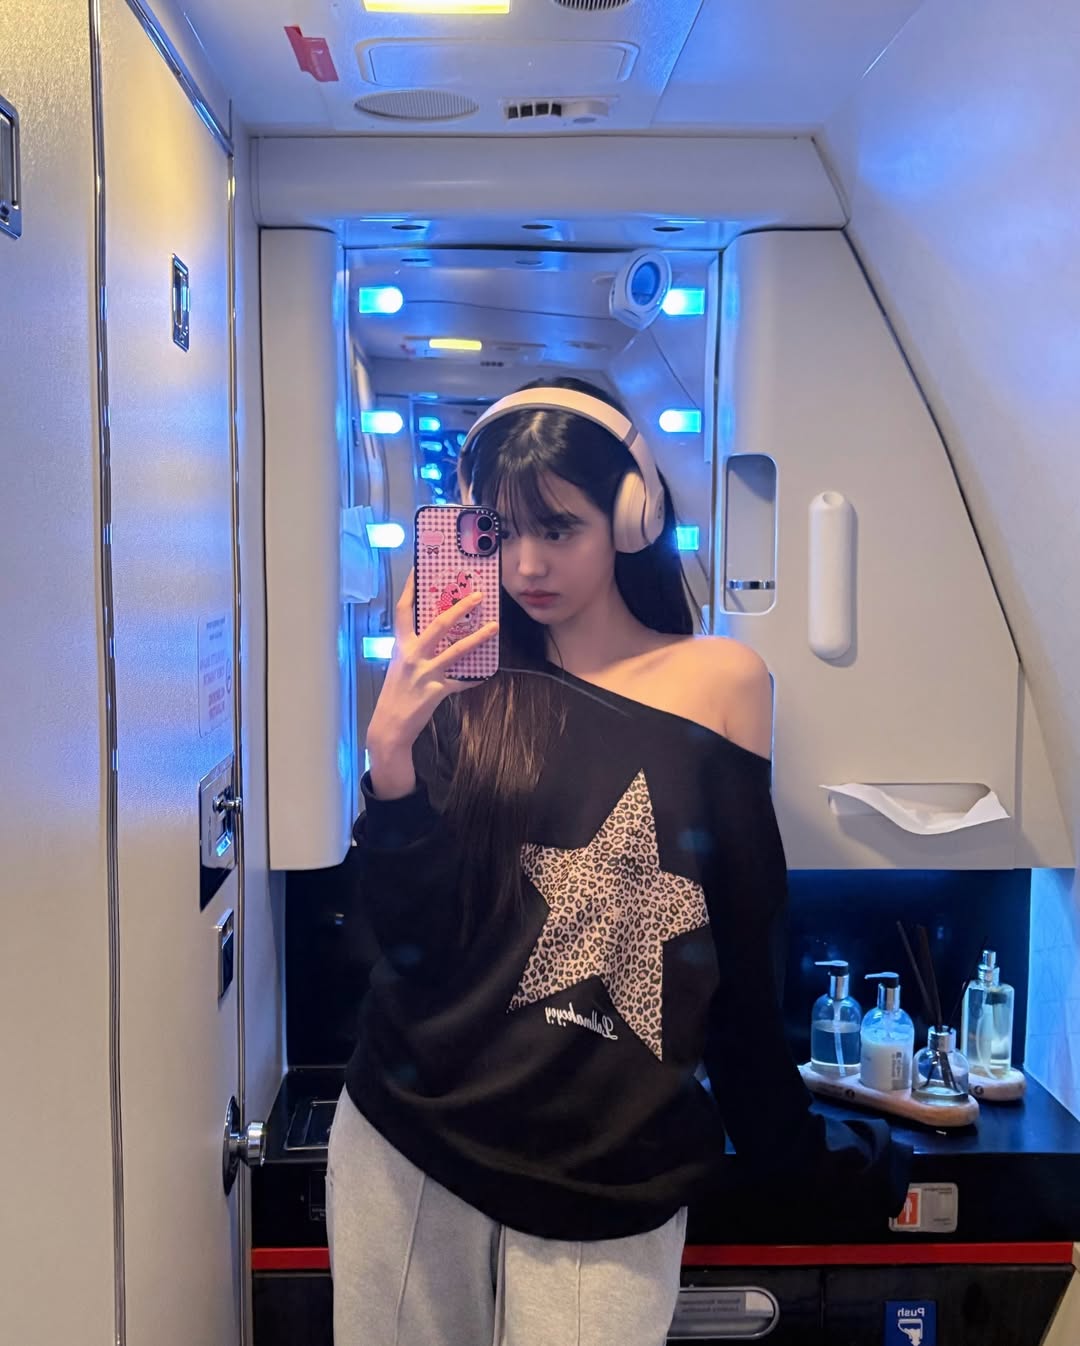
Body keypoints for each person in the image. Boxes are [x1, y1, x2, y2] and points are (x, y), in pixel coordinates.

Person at [327, 378, 912, 1346]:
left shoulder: (721, 683)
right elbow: (404, 937)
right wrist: (391, 757)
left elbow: (743, 945)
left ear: (632, 517)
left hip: (611, 1167)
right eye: (500, 530)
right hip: (409, 1143)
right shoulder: (465, 676)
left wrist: (793, 1148)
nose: (526, 563)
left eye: (558, 527)